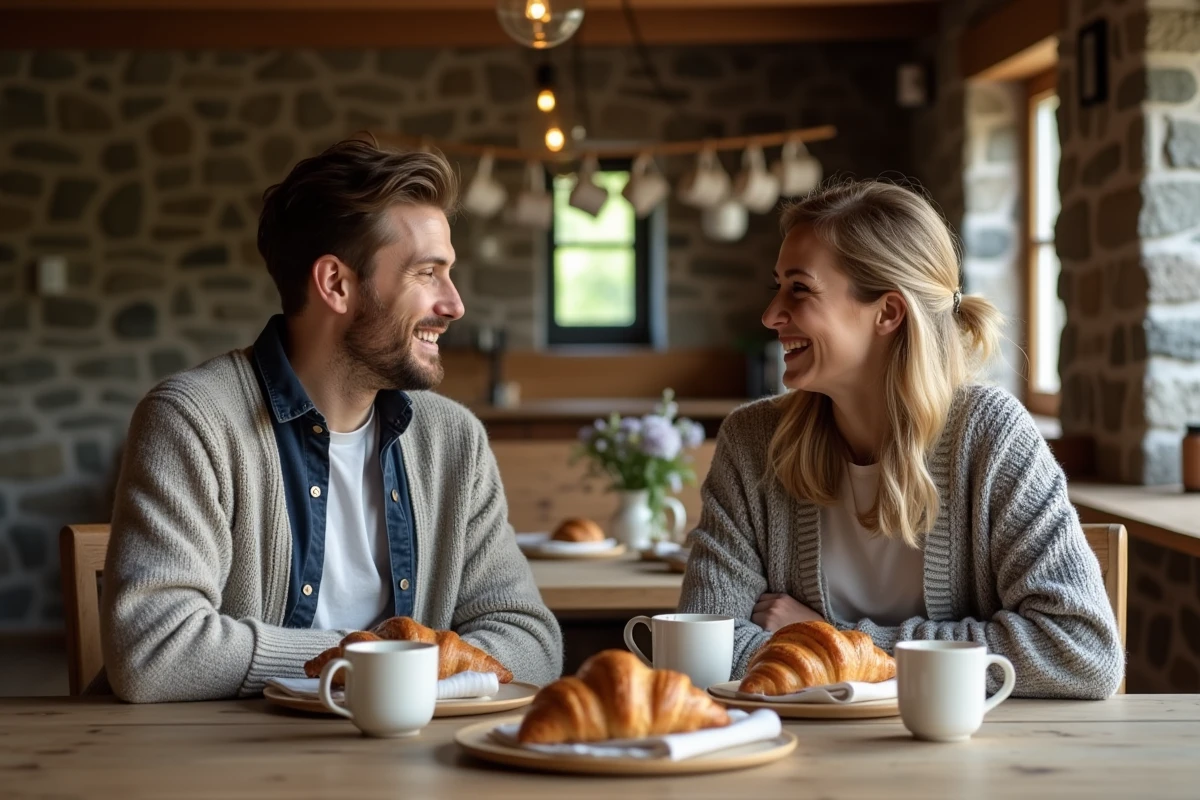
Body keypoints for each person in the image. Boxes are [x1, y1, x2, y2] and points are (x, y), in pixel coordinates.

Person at [101, 138, 563, 702]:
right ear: (336, 284)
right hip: (230, 767)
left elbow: (531, 641)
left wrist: (387, 667)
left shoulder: (453, 440)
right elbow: (153, 650)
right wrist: (379, 659)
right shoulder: (194, 422)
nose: (454, 304)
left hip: (415, 764)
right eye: (426, 274)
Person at [678, 180, 1123, 699]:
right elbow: (703, 648)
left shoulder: (991, 438)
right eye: (776, 286)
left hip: (963, 762)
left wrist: (840, 643)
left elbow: (1082, 652)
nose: (771, 314)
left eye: (799, 288)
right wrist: (879, 658)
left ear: (888, 312)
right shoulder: (753, 442)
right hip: (797, 756)